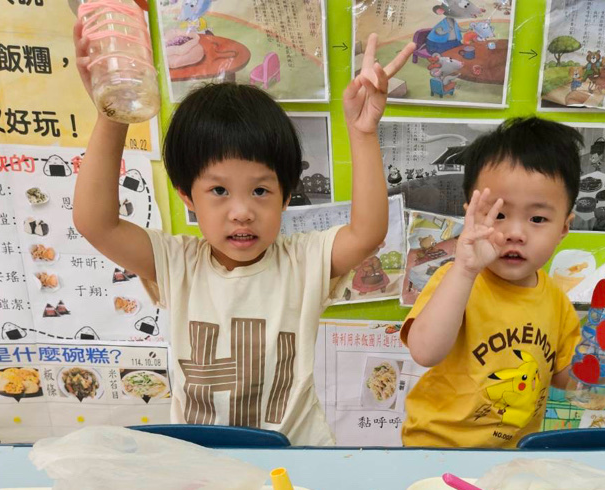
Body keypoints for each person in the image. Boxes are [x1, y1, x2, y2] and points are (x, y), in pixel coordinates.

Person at [72, 28, 413, 445]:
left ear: (285, 196)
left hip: (295, 456)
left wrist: (362, 133)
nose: (241, 212)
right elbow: (96, 223)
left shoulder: (302, 261)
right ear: (187, 195)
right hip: (202, 459)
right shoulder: (178, 263)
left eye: (260, 191)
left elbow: (367, 233)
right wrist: (113, 111)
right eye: (219, 190)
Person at [400, 117, 605, 448]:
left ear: (564, 228)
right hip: (438, 447)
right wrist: (465, 270)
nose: (515, 233)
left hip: (513, 452)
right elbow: (425, 352)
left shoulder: (555, 300)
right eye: (498, 215)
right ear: (471, 216)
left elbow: (563, 377)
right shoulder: (455, 280)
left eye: (537, 218)